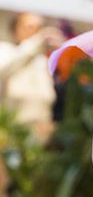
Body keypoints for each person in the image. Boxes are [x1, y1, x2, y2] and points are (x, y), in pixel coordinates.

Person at [0, 13, 63, 144]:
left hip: (40, 133)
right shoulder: (6, 51)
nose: (35, 32)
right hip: (11, 133)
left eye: (39, 28)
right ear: (16, 29)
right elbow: (6, 67)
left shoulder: (42, 61)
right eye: (30, 27)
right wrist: (37, 43)